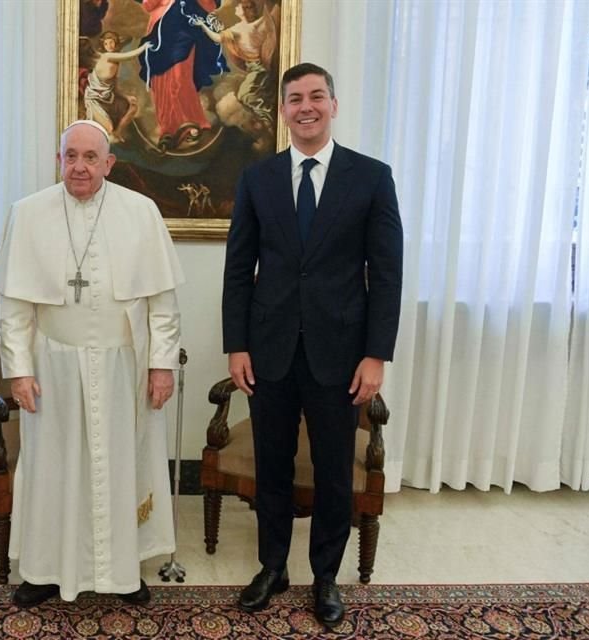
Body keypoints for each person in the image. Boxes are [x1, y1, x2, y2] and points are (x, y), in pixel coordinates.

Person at [222, 63, 403, 628]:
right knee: (272, 467)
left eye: (316, 96)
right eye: (295, 98)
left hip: (341, 356)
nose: (306, 106)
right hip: (269, 350)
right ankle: (273, 567)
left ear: (333, 104)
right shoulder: (258, 178)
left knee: (332, 471)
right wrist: (237, 346)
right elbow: (237, 271)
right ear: (282, 109)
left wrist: (377, 354)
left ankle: (326, 574)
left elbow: (387, 273)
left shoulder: (371, 177)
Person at [0, 120, 184, 607]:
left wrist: (162, 366)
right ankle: (44, 571)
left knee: (123, 466)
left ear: (109, 163)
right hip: (52, 367)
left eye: (90, 157)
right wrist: (18, 371)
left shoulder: (141, 213)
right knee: (52, 467)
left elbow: (162, 304)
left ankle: (123, 572)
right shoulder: (28, 213)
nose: (79, 166)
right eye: (70, 156)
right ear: (58, 160)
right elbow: (13, 308)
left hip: (123, 367)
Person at [137, 0, 228, 149]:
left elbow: (209, 4)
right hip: (160, 29)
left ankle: (190, 119)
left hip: (184, 29)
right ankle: (168, 126)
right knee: (160, 80)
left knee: (181, 77)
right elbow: (148, 5)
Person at [84, 31, 151, 143]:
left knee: (133, 106)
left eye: (112, 42)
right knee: (108, 130)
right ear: (103, 46)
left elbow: (113, 86)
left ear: (115, 43)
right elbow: (129, 56)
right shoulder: (107, 56)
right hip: (95, 99)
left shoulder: (115, 62)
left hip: (108, 97)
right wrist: (144, 47)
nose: (109, 46)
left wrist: (126, 96)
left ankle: (118, 132)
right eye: (106, 43)